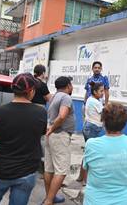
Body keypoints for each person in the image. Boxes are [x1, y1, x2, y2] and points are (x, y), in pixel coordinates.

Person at [0, 73, 47, 205]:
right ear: (31, 91)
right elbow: (41, 133)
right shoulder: (40, 112)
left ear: (13, 89)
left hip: (0, 169)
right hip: (27, 171)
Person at [83, 102, 127, 205]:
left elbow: (86, 173)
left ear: (103, 122)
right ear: (125, 123)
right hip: (125, 200)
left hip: (95, 200)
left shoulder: (91, 144)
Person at [42, 76, 75, 205]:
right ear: (68, 86)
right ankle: (49, 201)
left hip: (52, 137)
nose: (72, 87)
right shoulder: (66, 97)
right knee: (61, 171)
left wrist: (50, 129)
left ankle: (50, 196)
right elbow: (62, 116)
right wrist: (52, 128)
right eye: (71, 84)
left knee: (49, 169)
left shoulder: (54, 97)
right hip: (60, 135)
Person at [78, 81, 105, 185]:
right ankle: (86, 180)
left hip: (89, 127)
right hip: (92, 128)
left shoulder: (91, 99)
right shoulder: (95, 102)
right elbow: (103, 114)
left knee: (87, 152)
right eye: (101, 91)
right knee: (90, 155)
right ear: (95, 91)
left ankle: (81, 176)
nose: (103, 93)